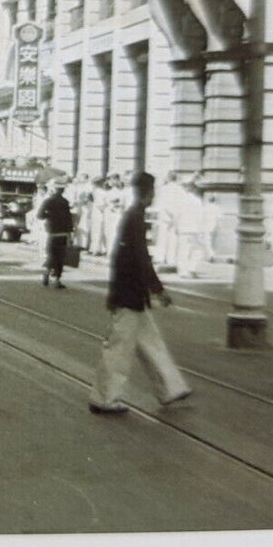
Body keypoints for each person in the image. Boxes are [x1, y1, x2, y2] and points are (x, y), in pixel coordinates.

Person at [89, 172, 193, 415]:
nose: (154, 194)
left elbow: (125, 257)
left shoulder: (133, 216)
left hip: (131, 294)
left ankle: (171, 388)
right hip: (129, 296)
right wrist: (158, 289)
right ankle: (104, 398)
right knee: (119, 348)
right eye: (153, 190)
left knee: (150, 342)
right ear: (147, 192)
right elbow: (140, 259)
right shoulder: (134, 218)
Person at [37, 180, 73, 289]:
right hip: (63, 232)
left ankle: (46, 272)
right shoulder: (65, 202)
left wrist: (49, 216)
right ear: (63, 190)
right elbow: (69, 218)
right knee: (60, 256)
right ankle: (57, 280)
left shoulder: (48, 201)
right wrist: (70, 233)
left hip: (52, 231)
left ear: (54, 189)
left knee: (51, 254)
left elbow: (39, 215)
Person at [174, 182, 206, 279]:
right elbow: (200, 216)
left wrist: (176, 226)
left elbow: (176, 215)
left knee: (183, 250)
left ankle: (182, 271)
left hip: (183, 228)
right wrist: (201, 229)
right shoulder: (197, 201)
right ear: (194, 189)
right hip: (194, 229)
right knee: (196, 250)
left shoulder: (180, 201)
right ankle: (191, 269)